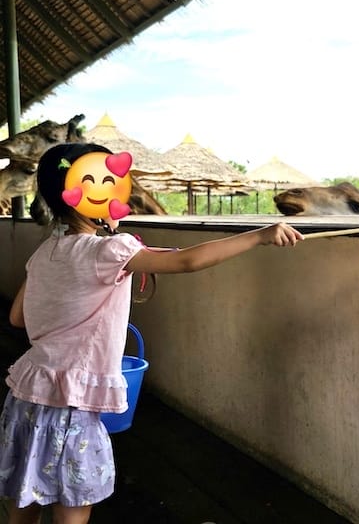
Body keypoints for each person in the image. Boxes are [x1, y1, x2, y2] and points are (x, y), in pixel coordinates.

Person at [0, 143, 303, 524]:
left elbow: (16, 317)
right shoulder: (111, 250)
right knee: (72, 510)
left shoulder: (45, 252)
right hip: (71, 404)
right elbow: (188, 261)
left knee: (24, 505)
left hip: (27, 394)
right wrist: (259, 235)